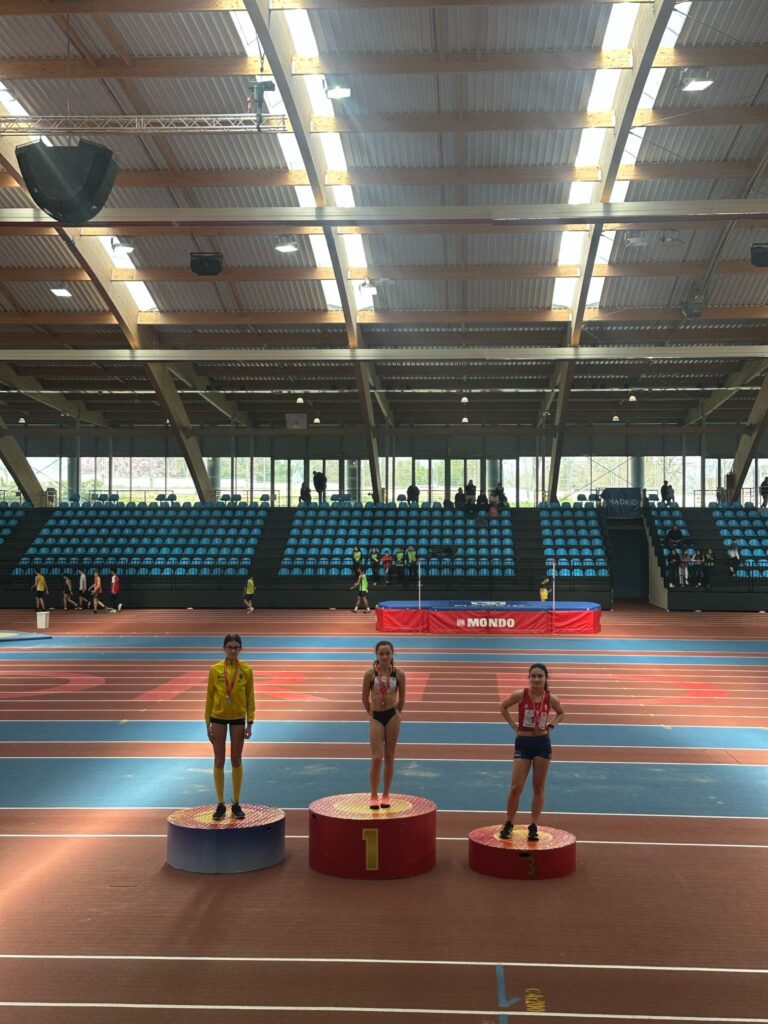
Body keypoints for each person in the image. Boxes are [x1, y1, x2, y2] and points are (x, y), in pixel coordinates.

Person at [498, 663, 565, 842]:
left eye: (539, 676)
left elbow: (561, 713)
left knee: (538, 787)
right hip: (523, 743)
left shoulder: (551, 698)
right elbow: (503, 707)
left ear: (545, 678)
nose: (536, 679)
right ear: (529, 678)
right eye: (533, 676)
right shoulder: (520, 695)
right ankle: (509, 822)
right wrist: (513, 726)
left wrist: (551, 726)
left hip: (542, 744)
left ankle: (534, 825)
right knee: (516, 787)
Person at [205, 633, 254, 821]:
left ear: (240, 649)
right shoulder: (215, 670)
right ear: (224, 648)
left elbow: (250, 697)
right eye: (230, 647)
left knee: (236, 759)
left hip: (238, 718)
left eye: (236, 647)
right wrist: (207, 722)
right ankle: (220, 804)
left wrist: (250, 722)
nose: (233, 651)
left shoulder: (247, 670)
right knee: (219, 760)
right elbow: (209, 697)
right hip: (218, 718)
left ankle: (236, 803)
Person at [361, 639, 406, 810]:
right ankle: (373, 795)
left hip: (392, 716)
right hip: (376, 717)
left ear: (393, 654)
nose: (385, 657)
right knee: (376, 757)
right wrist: (371, 713)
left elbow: (402, 699)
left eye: (388, 653)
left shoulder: (399, 674)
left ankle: (386, 794)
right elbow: (364, 698)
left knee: (389, 756)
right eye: (381, 654)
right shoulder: (370, 674)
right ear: (376, 655)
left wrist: (397, 713)